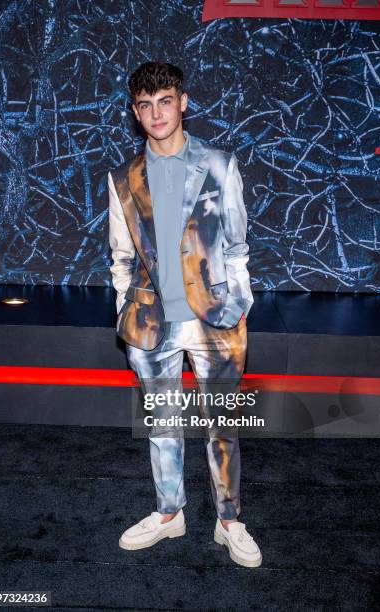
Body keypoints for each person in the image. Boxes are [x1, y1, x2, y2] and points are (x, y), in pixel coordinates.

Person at [108, 61, 262, 568]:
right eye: (146, 105)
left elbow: (238, 244)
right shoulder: (125, 178)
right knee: (163, 426)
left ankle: (229, 521)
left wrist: (240, 302)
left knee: (223, 426)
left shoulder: (219, 164)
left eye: (165, 101)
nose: (156, 113)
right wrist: (125, 315)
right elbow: (121, 259)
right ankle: (169, 514)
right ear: (136, 111)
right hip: (153, 324)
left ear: (183, 102)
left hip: (216, 319)